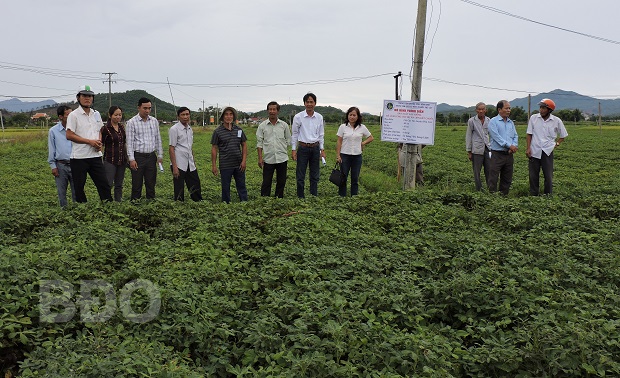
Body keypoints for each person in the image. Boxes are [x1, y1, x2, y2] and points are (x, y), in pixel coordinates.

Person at [65, 85, 112, 203]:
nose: (87, 98)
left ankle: (109, 208)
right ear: (78, 97)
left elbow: (101, 130)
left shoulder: (96, 114)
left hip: (95, 156)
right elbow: (69, 135)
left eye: (90, 96)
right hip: (79, 157)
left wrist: (99, 142)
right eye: (84, 96)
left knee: (104, 185)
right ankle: (83, 210)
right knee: (79, 187)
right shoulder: (74, 115)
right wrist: (90, 142)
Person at [526, 98, 568, 196]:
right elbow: (529, 134)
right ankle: (533, 194)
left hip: (547, 151)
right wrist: (528, 148)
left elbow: (563, 136)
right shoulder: (534, 118)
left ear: (549, 110)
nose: (541, 110)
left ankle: (548, 195)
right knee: (533, 175)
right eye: (540, 107)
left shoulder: (556, 121)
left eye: (543, 108)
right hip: (534, 150)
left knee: (548, 176)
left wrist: (556, 144)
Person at [126, 97, 163, 200]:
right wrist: (131, 159)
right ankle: (135, 204)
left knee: (151, 183)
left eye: (149, 108)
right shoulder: (132, 122)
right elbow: (129, 142)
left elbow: (157, 138)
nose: (147, 111)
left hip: (151, 156)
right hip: (138, 157)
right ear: (139, 108)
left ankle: (150, 203)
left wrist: (160, 155)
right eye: (145, 108)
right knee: (137, 184)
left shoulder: (154, 121)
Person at [211, 107, 248, 203]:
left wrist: (244, 161)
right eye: (226, 114)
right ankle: (226, 203)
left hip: (239, 164)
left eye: (231, 114)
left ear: (233, 116)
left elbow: (244, 144)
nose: (228, 116)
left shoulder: (239, 130)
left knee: (241, 185)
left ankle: (244, 202)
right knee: (225, 186)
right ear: (223, 117)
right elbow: (214, 148)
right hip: (225, 164)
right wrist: (214, 165)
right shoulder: (217, 132)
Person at [291, 92, 325, 198]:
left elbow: (321, 135)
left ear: (315, 103)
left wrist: (322, 149)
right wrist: (293, 149)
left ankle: (313, 196)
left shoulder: (319, 117)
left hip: (315, 148)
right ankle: (300, 197)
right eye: (307, 102)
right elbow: (295, 134)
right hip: (303, 148)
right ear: (304, 103)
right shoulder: (298, 117)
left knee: (314, 175)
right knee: (300, 174)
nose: (309, 104)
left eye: (311, 102)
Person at [336, 106, 374, 196]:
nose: (352, 117)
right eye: (350, 115)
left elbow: (371, 137)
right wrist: (338, 155)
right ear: (347, 116)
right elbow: (339, 141)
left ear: (358, 117)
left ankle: (354, 197)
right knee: (343, 178)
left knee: (355, 178)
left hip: (357, 157)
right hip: (345, 155)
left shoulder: (362, 127)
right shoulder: (343, 127)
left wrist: (363, 143)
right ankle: (342, 197)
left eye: (354, 115)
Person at [256, 101, 291, 198]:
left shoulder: (284, 125)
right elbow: (259, 143)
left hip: (282, 158)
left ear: (278, 111)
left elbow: (288, 140)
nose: (272, 111)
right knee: (266, 181)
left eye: (274, 109)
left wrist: (282, 148)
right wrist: (260, 158)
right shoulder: (262, 126)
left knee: (281, 181)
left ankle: (278, 199)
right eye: (270, 109)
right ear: (267, 111)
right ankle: (265, 199)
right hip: (268, 159)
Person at [169, 107, 202, 201]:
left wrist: (193, 162)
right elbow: (171, 148)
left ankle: (198, 202)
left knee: (195, 183)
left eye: (187, 114)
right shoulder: (174, 129)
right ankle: (179, 206)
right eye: (183, 115)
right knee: (179, 187)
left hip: (190, 162)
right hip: (179, 163)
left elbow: (190, 147)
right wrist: (174, 167)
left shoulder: (190, 129)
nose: (185, 116)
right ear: (178, 116)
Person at [487, 100, 518, 195]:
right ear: (499, 109)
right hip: (497, 154)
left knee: (507, 177)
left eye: (509, 108)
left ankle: (503, 196)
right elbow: (497, 137)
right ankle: (491, 197)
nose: (509, 110)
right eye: (506, 108)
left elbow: (515, 136)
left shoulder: (510, 122)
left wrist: (514, 146)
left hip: (508, 154)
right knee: (493, 177)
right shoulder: (493, 121)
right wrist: (510, 146)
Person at [47, 105, 76, 207]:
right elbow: (52, 149)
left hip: (75, 163)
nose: (71, 117)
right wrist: (53, 166)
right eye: (68, 114)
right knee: (61, 191)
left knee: (77, 190)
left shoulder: (76, 129)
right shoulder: (53, 131)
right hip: (61, 165)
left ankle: (78, 211)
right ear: (60, 117)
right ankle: (64, 213)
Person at [100, 106, 127, 202]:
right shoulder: (105, 129)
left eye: (120, 115)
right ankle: (107, 202)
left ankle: (118, 201)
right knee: (108, 183)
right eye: (116, 115)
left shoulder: (121, 127)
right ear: (110, 115)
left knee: (119, 184)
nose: (118, 117)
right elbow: (101, 144)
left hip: (122, 159)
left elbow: (124, 142)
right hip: (110, 160)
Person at [466, 102, 491, 191]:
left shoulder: (489, 120)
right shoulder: (472, 121)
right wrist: (469, 151)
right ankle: (478, 189)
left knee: (489, 170)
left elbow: (491, 134)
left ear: (485, 110)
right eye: (479, 109)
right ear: (476, 110)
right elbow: (468, 136)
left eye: (482, 109)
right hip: (476, 149)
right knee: (477, 171)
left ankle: (490, 188)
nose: (481, 111)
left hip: (487, 148)